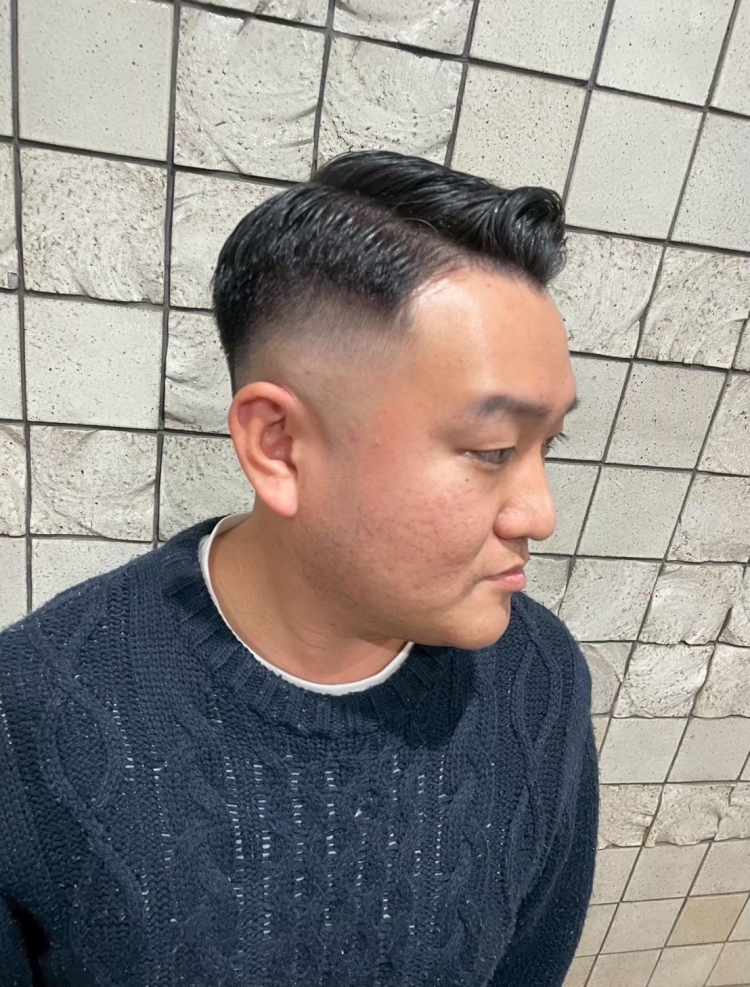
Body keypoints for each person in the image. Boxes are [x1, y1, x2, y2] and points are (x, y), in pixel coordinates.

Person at [0, 149, 598, 987]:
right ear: (279, 445)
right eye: (493, 448)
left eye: (548, 445)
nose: (538, 513)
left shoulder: (538, 677)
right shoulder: (32, 716)